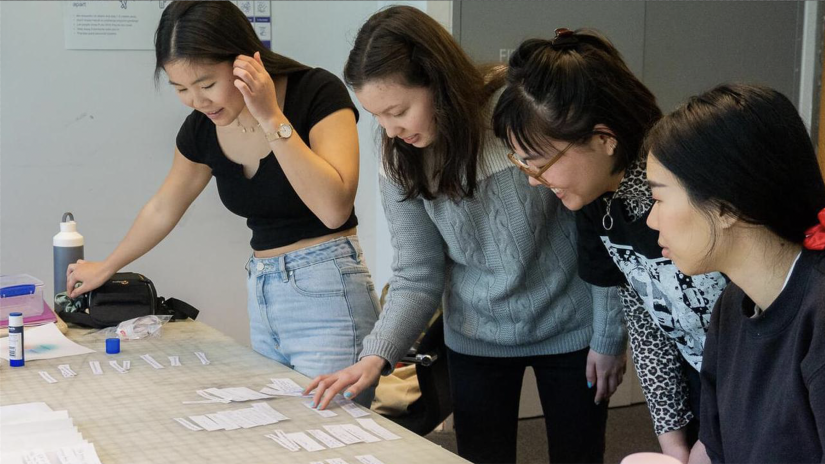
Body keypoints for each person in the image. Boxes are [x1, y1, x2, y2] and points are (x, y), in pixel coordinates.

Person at [304, 7, 627, 464]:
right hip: (476, 336)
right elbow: (418, 274)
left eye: (398, 111)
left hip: (573, 327)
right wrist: (375, 356)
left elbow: (599, 228)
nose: (391, 131)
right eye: (378, 117)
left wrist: (609, 335)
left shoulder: (517, 117)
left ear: (438, 81)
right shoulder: (399, 157)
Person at [65, 1, 380, 404]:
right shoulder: (202, 128)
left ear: (245, 63)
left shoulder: (316, 92)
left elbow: (333, 208)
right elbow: (164, 206)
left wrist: (270, 117)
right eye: (180, 89)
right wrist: (107, 267)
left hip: (328, 290)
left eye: (206, 84)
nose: (197, 100)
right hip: (264, 291)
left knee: (334, 441)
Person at [491, 29, 728, 462]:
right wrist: (673, 441)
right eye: (521, 162)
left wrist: (715, 434)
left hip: (755, 390)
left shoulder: (685, 186)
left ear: (603, 139)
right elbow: (647, 319)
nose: (532, 179)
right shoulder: (596, 198)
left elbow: (754, 329)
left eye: (539, 163)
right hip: (704, 385)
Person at [645, 83, 825, 464]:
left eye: (659, 198)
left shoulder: (818, 314)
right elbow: (715, 447)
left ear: (727, 205)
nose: (651, 219)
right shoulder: (733, 304)